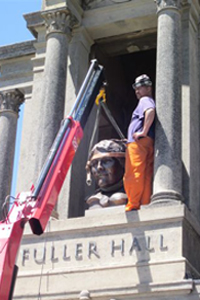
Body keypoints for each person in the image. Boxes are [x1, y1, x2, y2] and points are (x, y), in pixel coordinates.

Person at [123, 74, 156, 212]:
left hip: (139, 142)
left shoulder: (145, 100)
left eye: (139, 87)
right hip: (147, 142)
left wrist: (143, 131)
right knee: (146, 173)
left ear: (148, 87)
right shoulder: (148, 99)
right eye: (135, 88)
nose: (136, 91)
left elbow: (150, 111)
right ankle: (144, 202)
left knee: (133, 172)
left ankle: (133, 204)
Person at [85, 139, 127, 209]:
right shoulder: (93, 200)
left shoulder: (134, 196)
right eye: (94, 163)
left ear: (122, 164)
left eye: (106, 161)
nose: (99, 167)